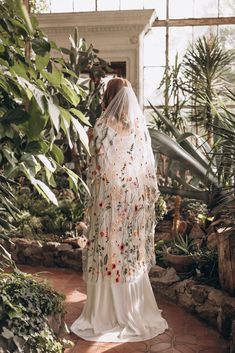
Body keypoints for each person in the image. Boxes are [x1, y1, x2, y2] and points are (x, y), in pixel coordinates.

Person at [70, 77, 168, 342]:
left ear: (107, 97)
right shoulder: (137, 127)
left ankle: (104, 311)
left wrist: (91, 139)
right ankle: (132, 308)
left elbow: (99, 164)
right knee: (128, 252)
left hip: (108, 202)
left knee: (108, 248)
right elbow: (144, 168)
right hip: (131, 201)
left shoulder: (102, 126)